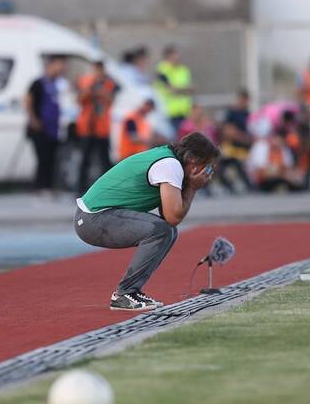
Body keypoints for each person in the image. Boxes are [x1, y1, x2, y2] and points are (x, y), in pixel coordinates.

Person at [75, 131, 219, 311]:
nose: (208, 175)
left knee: (167, 231)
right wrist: (192, 187)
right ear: (192, 160)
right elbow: (173, 216)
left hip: (95, 216)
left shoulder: (170, 161)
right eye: (207, 168)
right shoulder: (170, 165)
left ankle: (132, 291)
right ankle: (124, 294)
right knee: (161, 231)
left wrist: (188, 185)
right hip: (92, 218)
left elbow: (167, 217)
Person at [76, 61, 119, 194]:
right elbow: (80, 99)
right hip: (88, 127)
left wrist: (101, 92)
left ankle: (107, 189)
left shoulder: (109, 83)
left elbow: (111, 99)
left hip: (102, 128)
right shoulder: (85, 81)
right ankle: (80, 189)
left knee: (104, 161)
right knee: (85, 159)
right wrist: (91, 89)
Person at [25, 55, 66, 196]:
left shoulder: (55, 84)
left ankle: (48, 186)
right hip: (40, 128)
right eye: (58, 66)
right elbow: (28, 100)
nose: (60, 69)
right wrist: (34, 120)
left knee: (51, 158)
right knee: (43, 158)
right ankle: (40, 186)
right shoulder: (38, 83)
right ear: (50, 66)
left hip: (53, 128)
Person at [217, 90, 254, 193]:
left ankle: (248, 185)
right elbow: (228, 131)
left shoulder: (246, 113)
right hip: (231, 147)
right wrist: (241, 137)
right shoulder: (231, 113)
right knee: (223, 164)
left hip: (244, 147)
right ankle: (228, 186)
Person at [155, 45, 193, 130]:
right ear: (168, 56)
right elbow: (171, 89)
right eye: (174, 55)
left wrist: (180, 89)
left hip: (184, 111)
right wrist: (184, 89)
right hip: (169, 112)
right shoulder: (162, 70)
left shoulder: (183, 69)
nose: (177, 57)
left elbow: (191, 89)